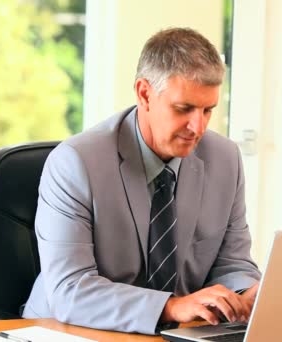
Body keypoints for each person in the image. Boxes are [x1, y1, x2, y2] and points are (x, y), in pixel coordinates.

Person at [22, 27, 261, 335]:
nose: (197, 126)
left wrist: (245, 295)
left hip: (176, 334)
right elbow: (70, 290)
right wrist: (171, 306)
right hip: (66, 331)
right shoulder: (74, 163)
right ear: (144, 94)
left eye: (208, 110)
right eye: (183, 108)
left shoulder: (225, 159)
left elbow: (232, 264)